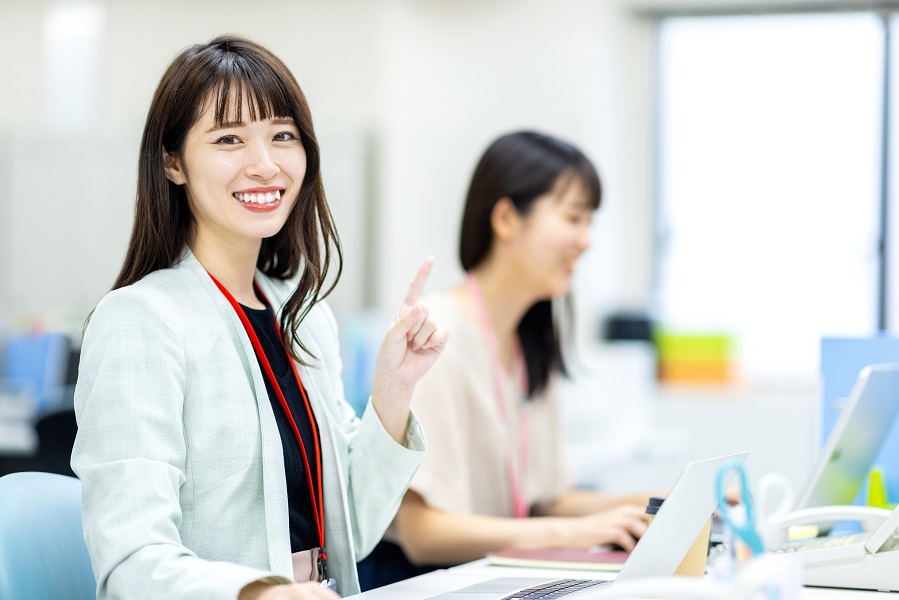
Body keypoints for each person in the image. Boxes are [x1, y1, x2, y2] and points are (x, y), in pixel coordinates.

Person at [71, 35, 447, 600]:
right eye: (229, 139)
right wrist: (262, 593)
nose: (265, 165)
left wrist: (393, 390)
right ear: (172, 162)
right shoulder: (141, 321)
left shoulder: (302, 312)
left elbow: (355, 533)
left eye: (282, 136)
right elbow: (131, 560)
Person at [357, 131, 652, 590]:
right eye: (574, 217)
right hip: (419, 582)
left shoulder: (529, 341)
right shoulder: (435, 334)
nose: (586, 239)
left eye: (590, 221)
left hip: (491, 578)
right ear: (506, 218)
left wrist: (649, 504)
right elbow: (423, 535)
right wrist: (569, 533)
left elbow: (542, 501)